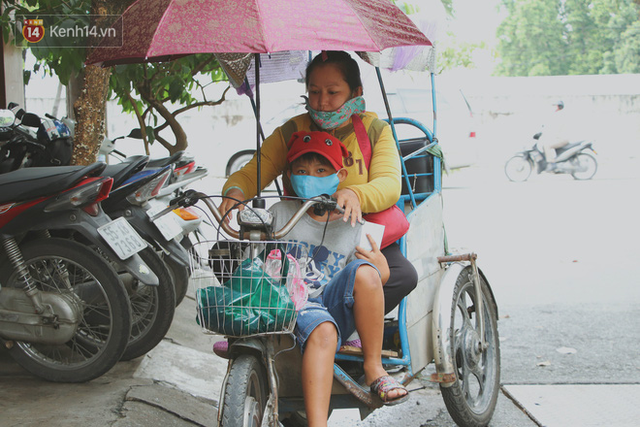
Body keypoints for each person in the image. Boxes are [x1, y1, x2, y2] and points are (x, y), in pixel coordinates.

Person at [219, 50, 418, 315]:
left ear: (355, 92)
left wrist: (356, 194)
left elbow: (390, 184)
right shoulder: (293, 130)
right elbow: (255, 170)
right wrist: (235, 191)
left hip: (355, 237)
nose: (322, 102)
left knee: (403, 276)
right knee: (225, 257)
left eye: (332, 92)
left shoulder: (375, 130)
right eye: (314, 92)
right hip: (298, 235)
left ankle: (340, 332)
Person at [270, 130, 409, 426]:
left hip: (331, 308)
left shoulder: (352, 223)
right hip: (289, 306)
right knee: (322, 329)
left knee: (365, 272)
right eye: (302, 171)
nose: (311, 176)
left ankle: (375, 370)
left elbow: (370, 279)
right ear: (289, 175)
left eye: (321, 170)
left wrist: (380, 268)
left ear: (339, 175)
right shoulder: (279, 213)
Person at [540, 100, 570, 170]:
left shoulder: (559, 115)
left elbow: (554, 128)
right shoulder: (560, 114)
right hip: (560, 138)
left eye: (555, 105)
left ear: (558, 106)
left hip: (562, 139)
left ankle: (552, 164)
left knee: (546, 145)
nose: (553, 107)